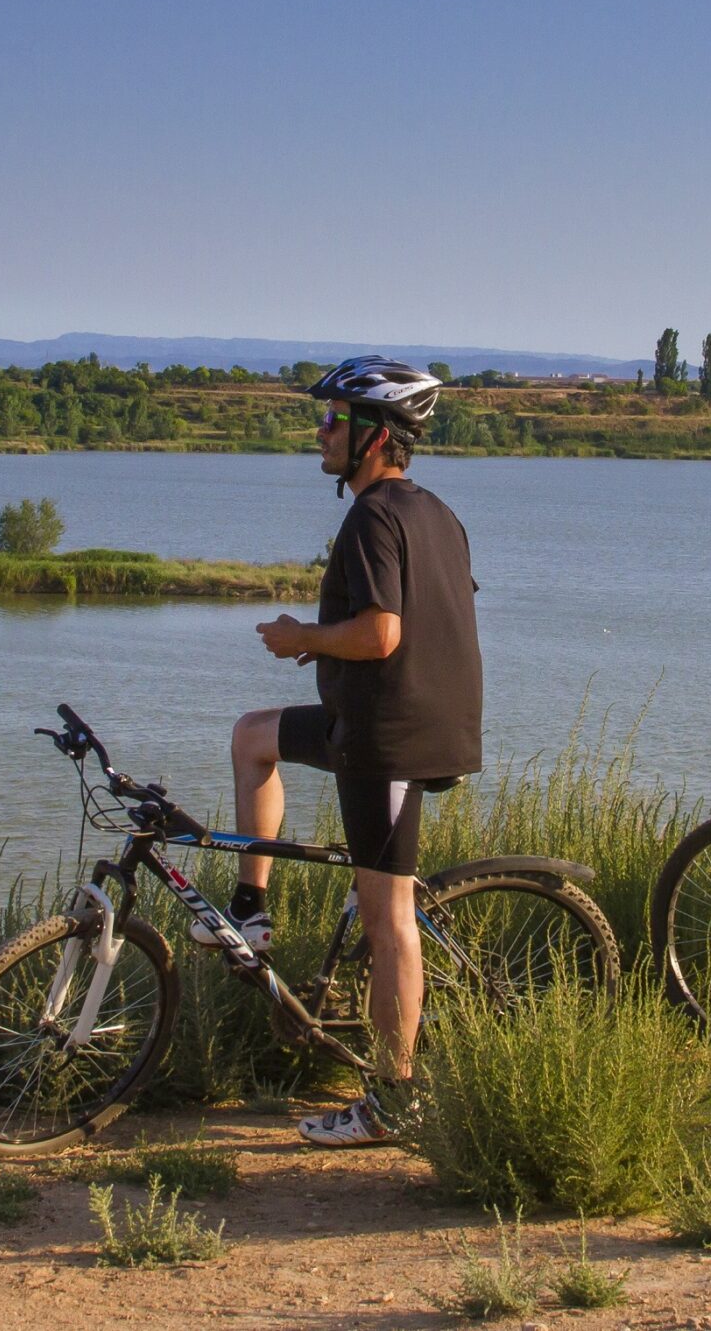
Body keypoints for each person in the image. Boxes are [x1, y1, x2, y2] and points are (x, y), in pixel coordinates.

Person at [218, 356, 483, 1146]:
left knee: (388, 915)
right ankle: (250, 910)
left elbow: (382, 633)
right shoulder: (433, 510)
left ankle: (393, 1100)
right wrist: (322, 653)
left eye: (335, 419)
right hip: (366, 720)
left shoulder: (371, 517)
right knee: (253, 736)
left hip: (390, 739)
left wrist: (305, 635)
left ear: (375, 436)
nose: (322, 432)